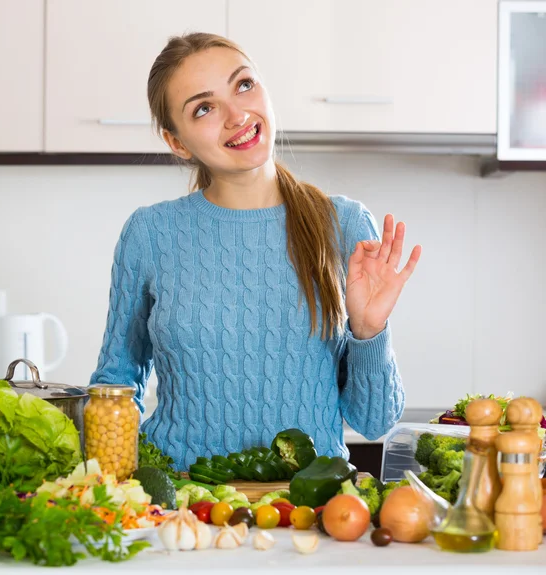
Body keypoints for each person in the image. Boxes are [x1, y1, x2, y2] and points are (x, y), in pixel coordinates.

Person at [90, 33, 422, 472]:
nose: (236, 115)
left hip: (308, 509)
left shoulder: (340, 224)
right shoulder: (151, 233)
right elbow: (114, 387)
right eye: (204, 108)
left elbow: (375, 421)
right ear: (178, 143)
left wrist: (368, 331)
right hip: (182, 506)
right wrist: (107, 494)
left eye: (243, 85)